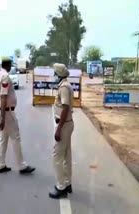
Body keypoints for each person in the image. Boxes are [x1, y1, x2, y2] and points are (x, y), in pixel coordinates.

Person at [0, 57, 35, 174]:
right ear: (8, 65)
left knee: (4, 138)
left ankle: (0, 164)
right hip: (6, 112)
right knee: (15, 138)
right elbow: (3, 97)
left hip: (3, 110)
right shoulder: (5, 77)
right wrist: (3, 118)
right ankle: (22, 166)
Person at [49, 63, 74, 199]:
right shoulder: (65, 85)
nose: (54, 76)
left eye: (55, 74)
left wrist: (59, 129)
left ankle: (61, 187)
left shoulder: (64, 87)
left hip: (63, 125)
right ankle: (67, 183)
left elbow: (65, 108)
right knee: (66, 155)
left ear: (59, 75)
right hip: (67, 124)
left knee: (57, 156)